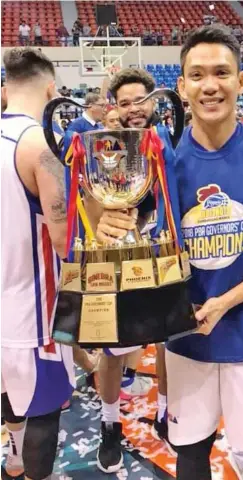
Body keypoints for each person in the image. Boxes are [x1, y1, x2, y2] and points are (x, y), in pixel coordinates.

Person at [96, 25, 243, 480]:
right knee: (191, 457)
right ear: (181, 86)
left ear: (241, 81)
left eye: (222, 72)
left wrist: (226, 301)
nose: (210, 85)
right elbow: (138, 234)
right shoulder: (157, 159)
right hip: (185, 340)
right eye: (197, 75)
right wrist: (111, 225)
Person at [89, 68, 172, 473]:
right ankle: (109, 424)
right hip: (120, 261)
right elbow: (88, 208)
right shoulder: (105, 149)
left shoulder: (173, 141)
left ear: (154, 101)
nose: (134, 109)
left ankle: (165, 412)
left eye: (141, 100)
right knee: (113, 349)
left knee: (169, 343)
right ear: (114, 108)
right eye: (125, 102)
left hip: (165, 254)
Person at [1, 47, 75, 480]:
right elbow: (64, 240)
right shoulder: (42, 146)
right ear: (52, 90)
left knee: (10, 397)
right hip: (33, 315)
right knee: (44, 410)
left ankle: (13, 461)